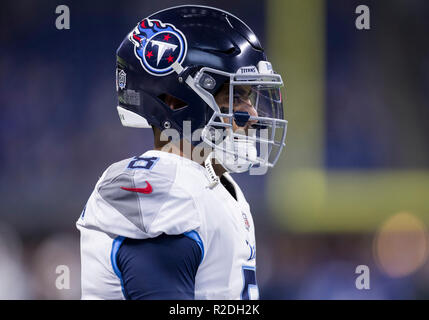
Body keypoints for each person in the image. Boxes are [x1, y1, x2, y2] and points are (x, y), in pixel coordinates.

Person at [76, 4, 287, 300]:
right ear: (175, 100)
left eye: (250, 98)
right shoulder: (164, 189)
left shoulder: (215, 187)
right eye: (236, 96)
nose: (252, 115)